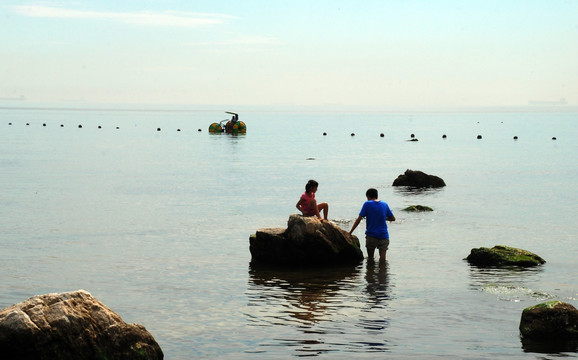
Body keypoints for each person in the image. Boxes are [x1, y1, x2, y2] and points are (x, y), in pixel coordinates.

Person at [349, 188, 395, 262]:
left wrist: (350, 232)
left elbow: (359, 219)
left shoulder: (367, 204)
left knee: (370, 259)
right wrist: (384, 218)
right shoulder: (384, 204)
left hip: (371, 235)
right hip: (383, 235)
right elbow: (393, 218)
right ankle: (382, 272)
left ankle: (371, 272)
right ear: (376, 195)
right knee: (383, 260)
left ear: (368, 196)